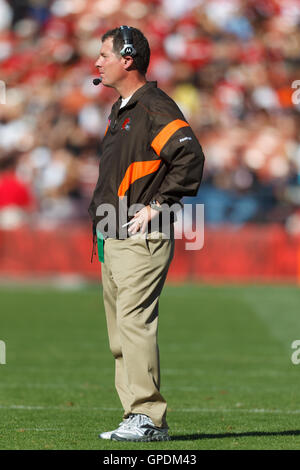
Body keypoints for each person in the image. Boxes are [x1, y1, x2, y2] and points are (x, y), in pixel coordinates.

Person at [88, 26, 205, 442]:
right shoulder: (125, 107)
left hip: (140, 237)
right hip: (114, 233)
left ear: (128, 58)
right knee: (121, 335)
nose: (97, 61)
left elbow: (189, 156)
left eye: (104, 54)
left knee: (134, 325)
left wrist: (157, 206)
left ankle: (149, 418)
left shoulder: (153, 105)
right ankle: (134, 416)